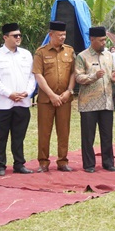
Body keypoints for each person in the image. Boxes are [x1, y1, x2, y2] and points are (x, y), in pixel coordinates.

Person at [0, 23, 37, 176]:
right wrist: (9, 94)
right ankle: (0, 165)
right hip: (2, 104)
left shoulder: (26, 54)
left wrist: (27, 92)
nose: (18, 38)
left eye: (20, 35)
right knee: (0, 137)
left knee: (19, 137)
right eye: (15, 36)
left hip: (22, 102)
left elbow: (31, 77)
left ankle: (19, 164)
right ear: (5, 37)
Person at [33, 21, 76, 172]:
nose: (62, 37)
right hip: (46, 100)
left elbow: (73, 73)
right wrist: (51, 95)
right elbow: (38, 75)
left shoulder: (70, 51)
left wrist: (69, 91)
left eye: (64, 34)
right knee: (44, 131)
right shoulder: (41, 52)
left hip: (65, 99)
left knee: (64, 131)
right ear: (51, 35)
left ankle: (62, 161)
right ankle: (43, 162)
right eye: (59, 35)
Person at [75, 27, 115, 173]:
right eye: (101, 40)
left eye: (105, 40)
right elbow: (78, 77)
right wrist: (93, 77)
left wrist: (114, 79)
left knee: (107, 135)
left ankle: (108, 163)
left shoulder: (109, 55)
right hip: (89, 103)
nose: (104, 42)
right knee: (88, 136)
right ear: (92, 39)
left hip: (107, 102)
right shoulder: (82, 56)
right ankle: (89, 164)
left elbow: (112, 74)